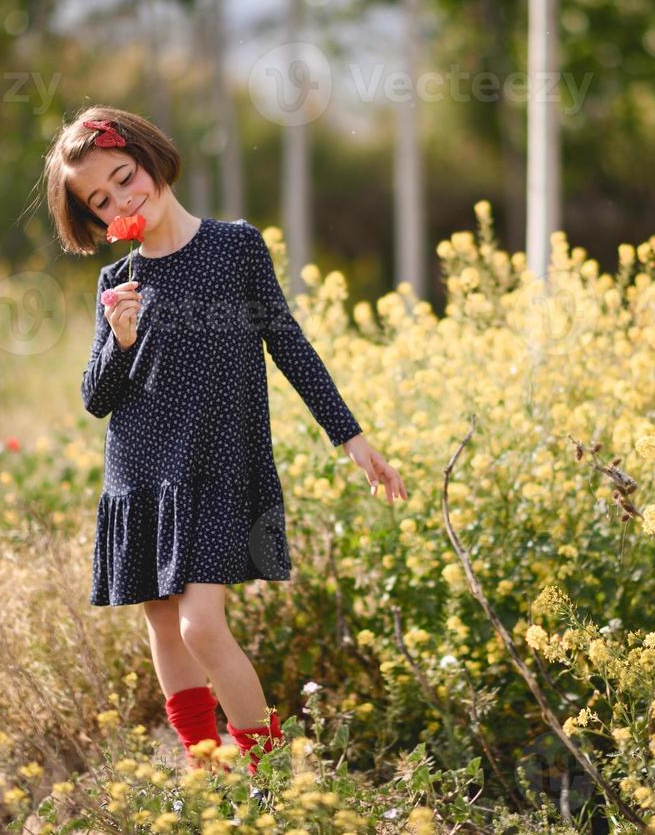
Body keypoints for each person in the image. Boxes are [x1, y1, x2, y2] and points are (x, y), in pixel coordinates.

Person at [41, 106, 408, 779]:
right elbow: (96, 398)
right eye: (101, 200)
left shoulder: (233, 247)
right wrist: (120, 340)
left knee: (200, 626)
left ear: (150, 162)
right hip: (140, 469)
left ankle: (267, 783)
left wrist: (350, 436)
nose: (122, 199)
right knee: (160, 620)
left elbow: (288, 344)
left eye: (125, 178)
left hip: (216, 469)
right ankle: (204, 770)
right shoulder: (115, 283)